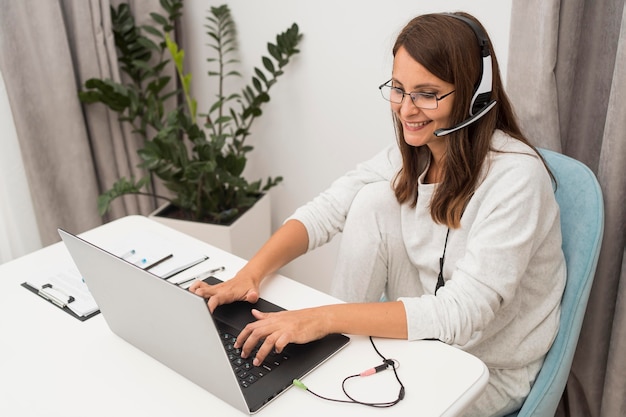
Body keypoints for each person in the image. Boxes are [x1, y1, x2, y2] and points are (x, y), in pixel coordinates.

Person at [190, 11, 566, 417]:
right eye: (399, 89)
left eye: (427, 93)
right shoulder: (415, 156)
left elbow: (464, 311)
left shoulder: (517, 178)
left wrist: (323, 319)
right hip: (425, 340)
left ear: (475, 96)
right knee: (371, 200)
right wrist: (250, 273)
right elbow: (326, 211)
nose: (406, 109)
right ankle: (329, 358)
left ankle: (329, 344)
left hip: (487, 366)